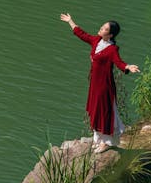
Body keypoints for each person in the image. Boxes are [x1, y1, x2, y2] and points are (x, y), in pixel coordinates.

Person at [60, 13, 140, 153]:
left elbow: (119, 62)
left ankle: (107, 142)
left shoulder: (112, 49)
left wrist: (128, 67)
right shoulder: (97, 40)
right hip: (95, 84)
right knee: (95, 110)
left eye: (104, 29)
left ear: (110, 35)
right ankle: (98, 139)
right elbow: (83, 35)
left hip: (104, 85)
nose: (101, 29)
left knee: (104, 112)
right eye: (102, 27)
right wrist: (70, 21)